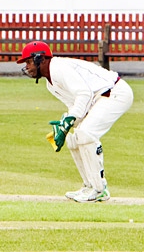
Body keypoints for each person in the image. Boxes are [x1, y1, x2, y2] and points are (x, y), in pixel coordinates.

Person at [17, 41, 133, 203]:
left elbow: (84, 94)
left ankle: (99, 189)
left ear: (41, 59)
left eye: (29, 61)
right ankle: (90, 185)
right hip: (98, 98)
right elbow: (77, 107)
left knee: (86, 133)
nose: (27, 67)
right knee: (74, 139)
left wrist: (69, 120)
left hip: (114, 92)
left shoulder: (59, 68)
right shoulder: (50, 84)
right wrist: (64, 124)